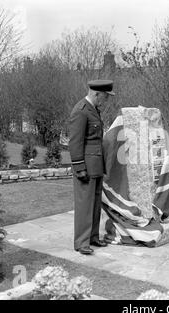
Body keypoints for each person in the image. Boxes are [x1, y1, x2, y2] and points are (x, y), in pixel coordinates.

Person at [68, 79, 115, 255]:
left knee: (95, 204)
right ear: (96, 93)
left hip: (95, 166)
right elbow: (75, 142)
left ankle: (93, 237)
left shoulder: (93, 110)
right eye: (105, 96)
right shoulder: (80, 111)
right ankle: (81, 242)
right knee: (84, 205)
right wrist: (79, 167)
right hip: (85, 167)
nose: (106, 100)